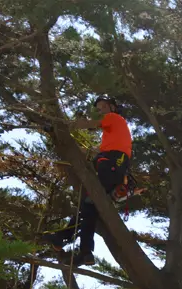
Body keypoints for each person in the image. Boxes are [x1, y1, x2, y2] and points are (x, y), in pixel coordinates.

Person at [44, 95, 132, 266]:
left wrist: (61, 126)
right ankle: (84, 252)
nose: (101, 111)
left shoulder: (114, 118)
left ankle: (64, 238)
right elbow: (93, 151)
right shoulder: (113, 135)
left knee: (88, 206)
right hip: (113, 164)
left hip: (114, 163)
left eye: (103, 107)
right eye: (99, 109)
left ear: (112, 107)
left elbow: (89, 124)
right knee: (89, 209)